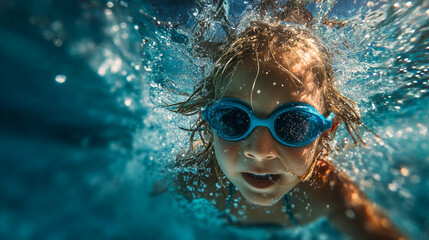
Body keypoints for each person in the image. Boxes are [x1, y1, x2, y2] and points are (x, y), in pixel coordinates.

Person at [164, 4, 407, 240]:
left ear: (326, 132)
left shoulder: (326, 192)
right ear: (209, 122)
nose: (259, 152)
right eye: (233, 120)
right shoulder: (191, 180)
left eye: (294, 125)